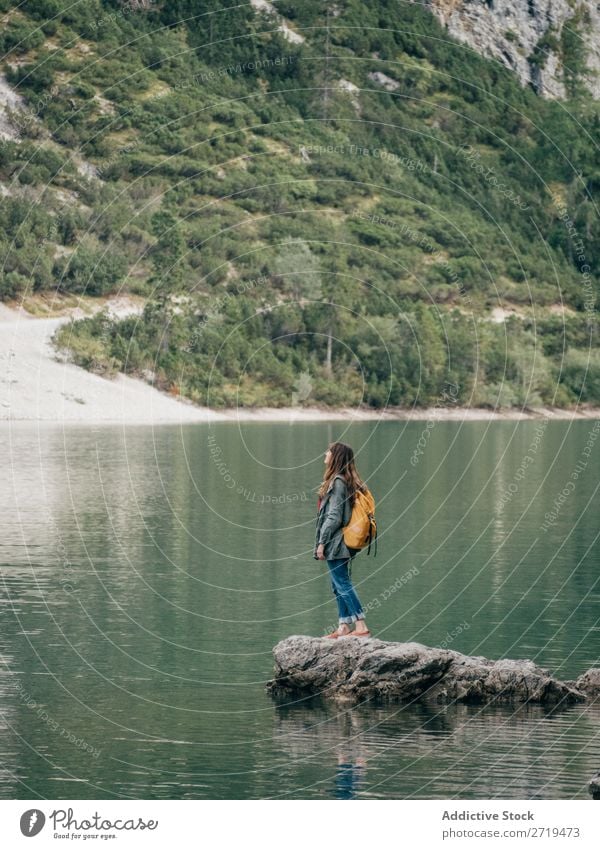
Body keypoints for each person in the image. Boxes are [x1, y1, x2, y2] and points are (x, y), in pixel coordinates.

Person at [314, 441, 371, 638]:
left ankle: (361, 626)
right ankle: (344, 626)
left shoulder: (338, 482)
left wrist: (322, 542)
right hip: (341, 541)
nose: (325, 454)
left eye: (328, 452)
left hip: (337, 541)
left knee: (342, 583)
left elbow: (334, 516)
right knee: (337, 584)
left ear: (335, 457)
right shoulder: (344, 481)